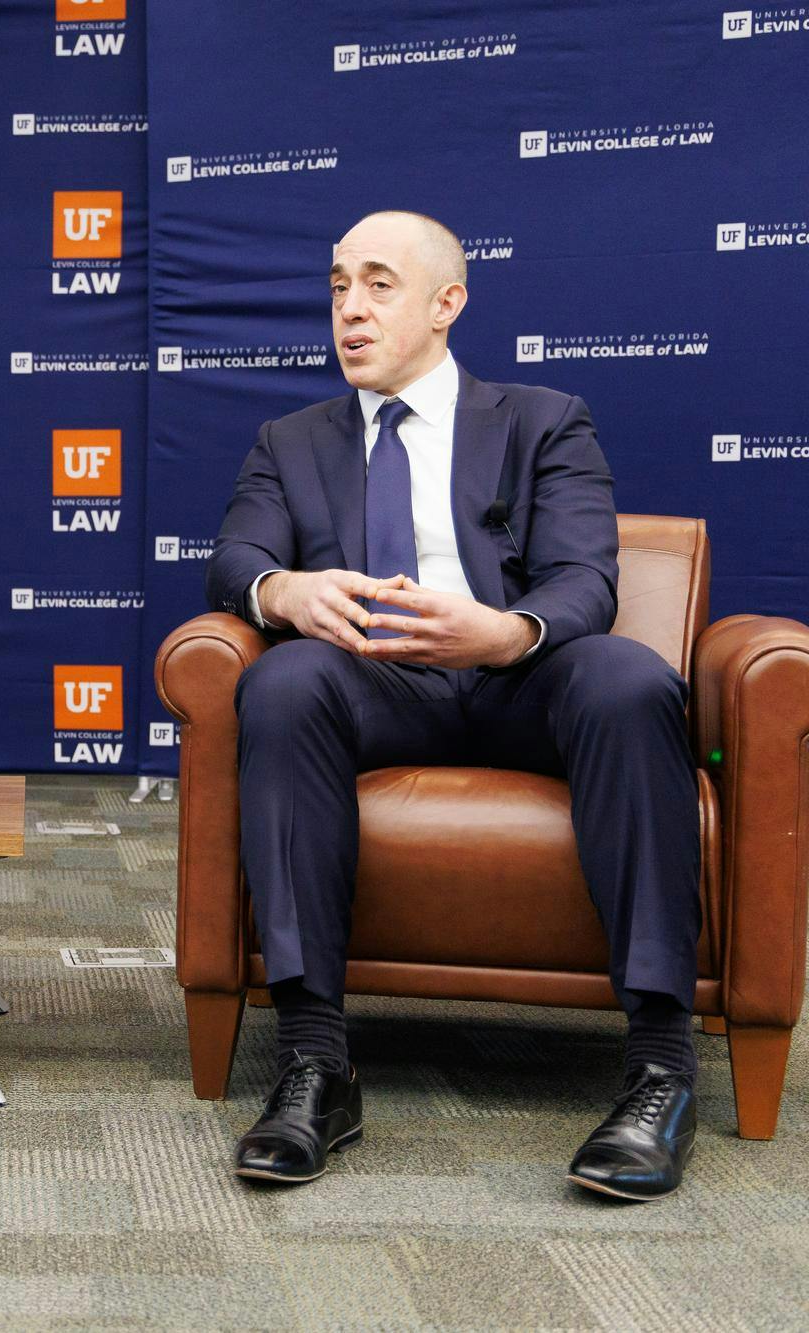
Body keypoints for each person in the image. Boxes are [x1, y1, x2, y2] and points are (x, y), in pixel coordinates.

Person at [205, 211, 700, 1200]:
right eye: (337, 286)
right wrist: (285, 591)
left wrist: (504, 632)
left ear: (446, 303)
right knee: (283, 679)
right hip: (375, 680)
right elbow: (236, 558)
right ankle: (313, 1062)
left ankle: (659, 1069)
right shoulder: (289, 442)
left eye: (377, 284)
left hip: (518, 677)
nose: (349, 309)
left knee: (629, 677)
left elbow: (583, 580)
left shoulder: (542, 419)